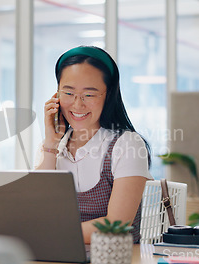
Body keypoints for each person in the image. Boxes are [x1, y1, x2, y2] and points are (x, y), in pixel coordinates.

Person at [35, 46, 153, 244]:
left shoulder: (127, 145)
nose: (77, 104)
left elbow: (117, 224)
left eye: (89, 95)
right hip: (60, 256)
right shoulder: (53, 146)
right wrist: (51, 145)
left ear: (109, 95)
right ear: (56, 95)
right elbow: (36, 209)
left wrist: (51, 234)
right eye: (68, 92)